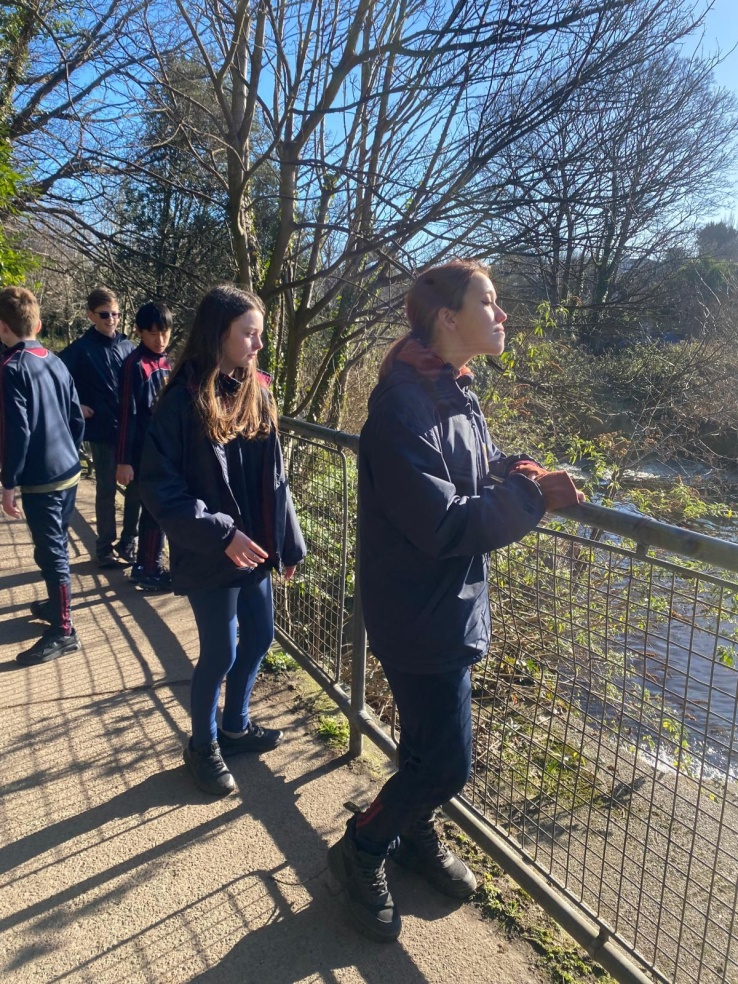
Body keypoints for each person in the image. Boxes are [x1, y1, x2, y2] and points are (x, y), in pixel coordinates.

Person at [327, 259, 584, 942]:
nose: (502, 316)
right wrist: (532, 498)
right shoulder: (400, 408)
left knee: (426, 748)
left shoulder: (452, 388)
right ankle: (362, 847)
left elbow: (482, 466)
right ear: (448, 317)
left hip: (445, 605)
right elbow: (444, 523)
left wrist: (522, 472)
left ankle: (414, 837)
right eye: (489, 302)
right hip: (419, 611)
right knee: (447, 762)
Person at [139, 284, 307, 796]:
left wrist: (289, 542)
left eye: (259, 334)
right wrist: (222, 533)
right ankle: (202, 744)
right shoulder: (180, 401)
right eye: (249, 334)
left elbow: (276, 477)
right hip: (212, 549)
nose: (258, 344)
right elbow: (160, 487)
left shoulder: (258, 389)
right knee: (221, 652)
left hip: (255, 548)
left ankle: (234, 727)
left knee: (259, 637)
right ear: (219, 335)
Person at [0, 286, 85, 664]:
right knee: (56, 545)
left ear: (3, 328)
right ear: (36, 323)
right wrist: (72, 449)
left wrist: (8, 482)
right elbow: (75, 416)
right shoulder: (54, 360)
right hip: (68, 469)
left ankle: (63, 629)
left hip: (42, 478)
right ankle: (57, 606)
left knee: (51, 552)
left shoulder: (10, 368)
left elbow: (16, 432)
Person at [60, 287, 137, 568]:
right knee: (106, 490)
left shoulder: (128, 347)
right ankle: (104, 549)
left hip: (131, 431)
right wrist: (74, 405)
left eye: (115, 314)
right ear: (91, 315)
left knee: (136, 489)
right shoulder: (80, 350)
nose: (111, 319)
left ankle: (129, 541)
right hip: (103, 432)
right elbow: (53, 377)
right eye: (105, 314)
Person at [116, 302, 173, 591]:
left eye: (164, 332)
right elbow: (127, 414)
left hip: (163, 451)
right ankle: (148, 567)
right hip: (141, 453)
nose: (160, 339)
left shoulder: (168, 362)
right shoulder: (134, 365)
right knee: (154, 509)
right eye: (152, 334)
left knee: (156, 510)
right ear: (139, 332)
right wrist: (123, 460)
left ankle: (148, 565)